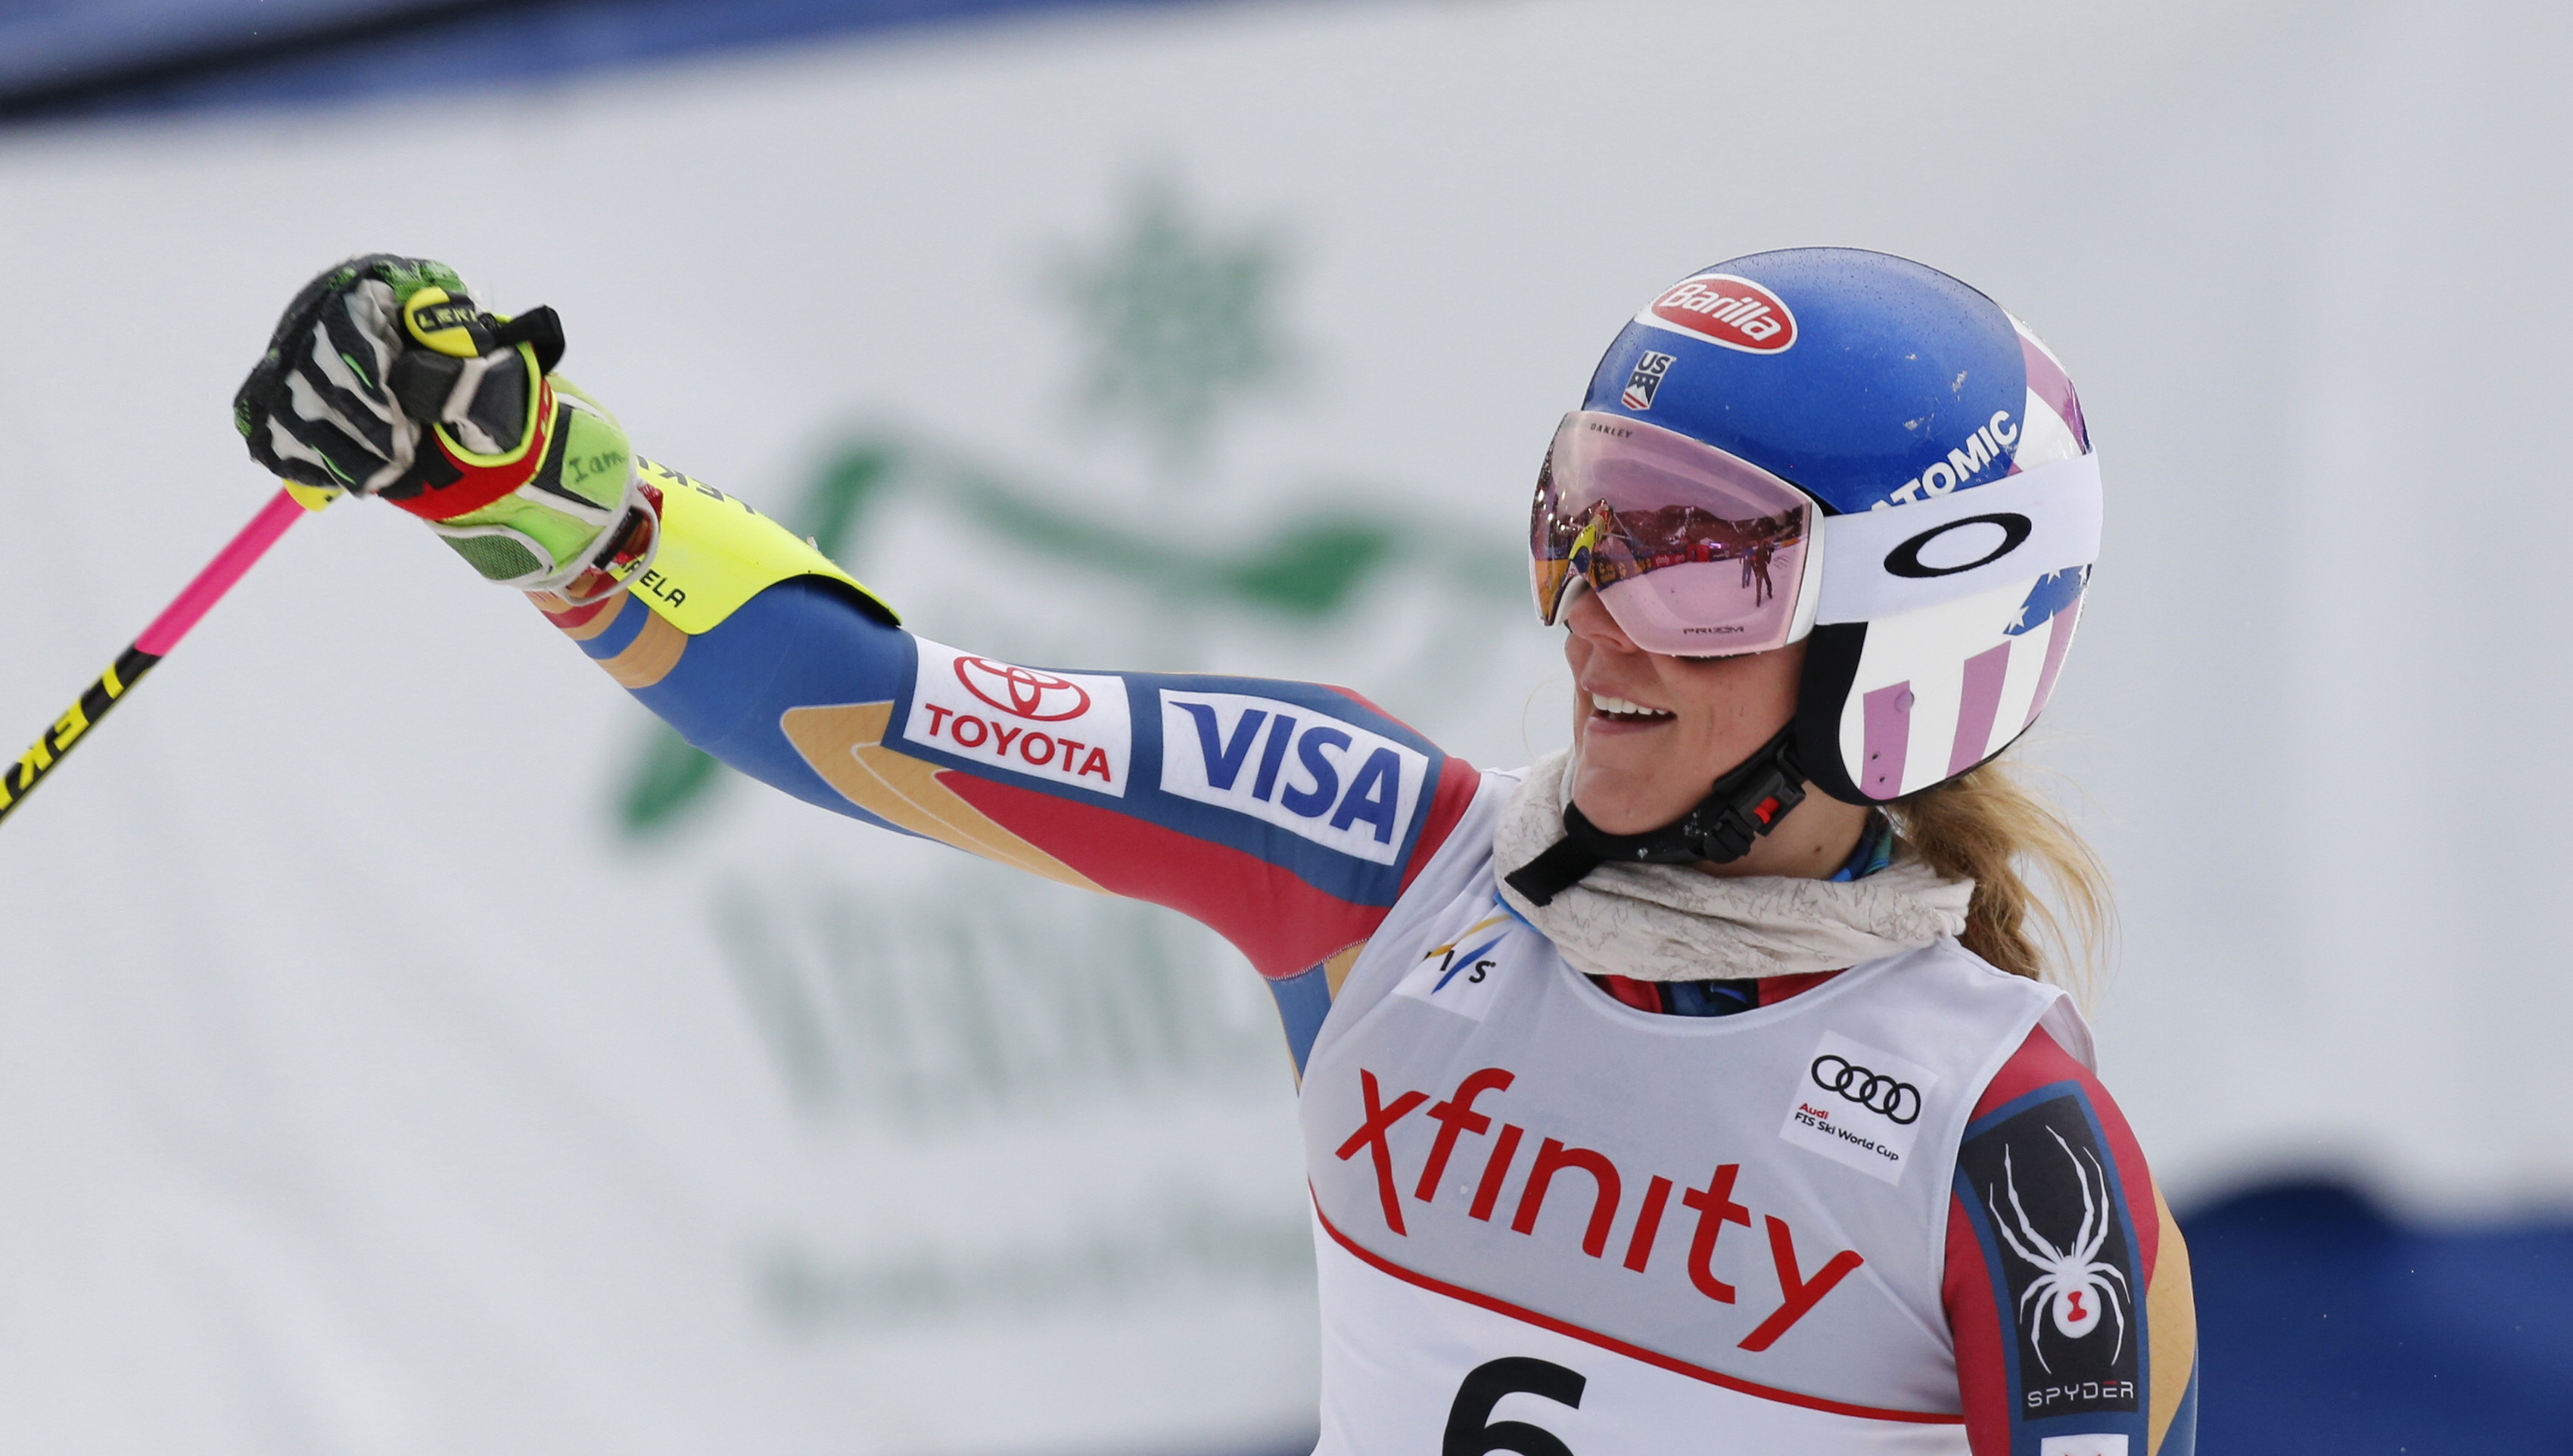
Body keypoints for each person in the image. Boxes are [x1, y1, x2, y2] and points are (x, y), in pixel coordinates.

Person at [235, 248, 2196, 1455]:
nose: (1594, 619)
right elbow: (882, 717)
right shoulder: (1382, 853)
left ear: (1920, 638)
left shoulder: (2011, 1149)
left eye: (1702, 566)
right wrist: (518, 465)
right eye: (1588, 520)